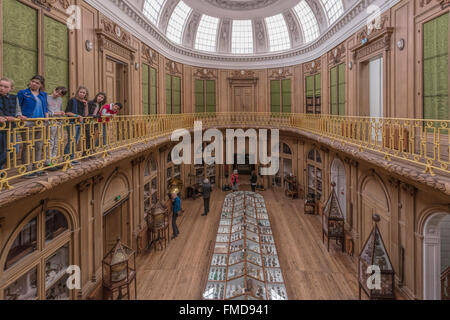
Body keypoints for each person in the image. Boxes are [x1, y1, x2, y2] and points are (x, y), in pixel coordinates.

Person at [17, 75, 48, 178]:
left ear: (41, 85)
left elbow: (45, 108)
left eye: (37, 83)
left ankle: (37, 168)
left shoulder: (43, 95)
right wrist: (19, 115)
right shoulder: (23, 93)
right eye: (33, 81)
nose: (34, 84)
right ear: (30, 82)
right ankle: (27, 170)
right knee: (27, 146)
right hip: (27, 122)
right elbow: (17, 106)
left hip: (40, 123)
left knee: (38, 146)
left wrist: (46, 117)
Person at [0, 78, 26, 169]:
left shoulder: (14, 97)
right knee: (2, 150)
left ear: (11, 88)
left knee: (14, 150)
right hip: (1, 128)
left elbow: (17, 111)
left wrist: (19, 116)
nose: (2, 88)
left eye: (5, 87)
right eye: (0, 85)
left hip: (11, 128)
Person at [64, 86, 89, 164]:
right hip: (72, 122)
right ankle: (66, 159)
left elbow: (86, 114)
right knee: (71, 141)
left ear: (85, 94)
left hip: (80, 123)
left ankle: (71, 158)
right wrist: (76, 116)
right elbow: (67, 112)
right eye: (81, 92)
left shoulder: (84, 102)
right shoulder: (72, 100)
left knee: (75, 141)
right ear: (78, 92)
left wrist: (86, 106)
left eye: (84, 93)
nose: (82, 94)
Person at [46, 87, 67, 167]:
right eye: (56, 92)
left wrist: (61, 113)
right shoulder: (47, 98)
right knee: (50, 141)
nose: (57, 94)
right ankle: (48, 161)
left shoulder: (60, 100)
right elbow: (46, 111)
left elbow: (60, 109)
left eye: (60, 94)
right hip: (50, 122)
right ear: (54, 89)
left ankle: (54, 160)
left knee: (56, 141)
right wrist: (55, 113)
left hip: (58, 122)